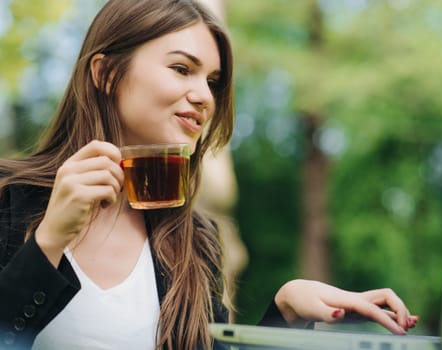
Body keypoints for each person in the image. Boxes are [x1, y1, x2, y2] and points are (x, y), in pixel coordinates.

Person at [0, 0, 418, 349]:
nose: (204, 96)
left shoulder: (196, 240)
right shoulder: (7, 198)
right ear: (106, 74)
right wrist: (49, 241)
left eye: (213, 81)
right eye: (182, 69)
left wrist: (286, 311)